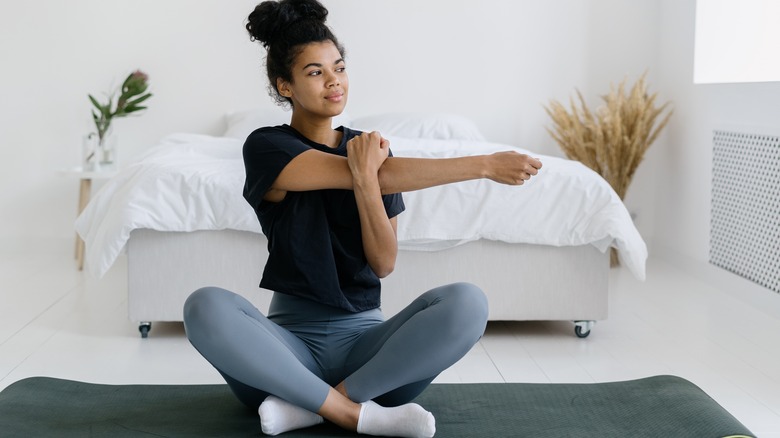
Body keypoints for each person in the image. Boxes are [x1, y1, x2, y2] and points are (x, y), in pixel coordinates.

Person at [182, 0, 542, 436]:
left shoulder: (371, 150)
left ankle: (312, 407)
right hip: (286, 353)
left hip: (371, 359)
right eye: (315, 72)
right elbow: (357, 172)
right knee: (204, 304)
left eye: (339, 66)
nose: (334, 81)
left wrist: (371, 180)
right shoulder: (267, 146)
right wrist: (483, 164)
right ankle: (353, 414)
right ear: (286, 86)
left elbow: (384, 263)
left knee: (468, 302)